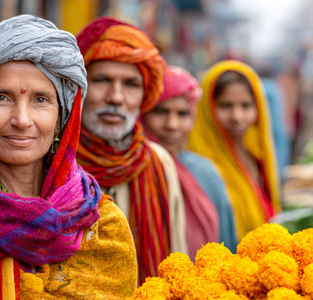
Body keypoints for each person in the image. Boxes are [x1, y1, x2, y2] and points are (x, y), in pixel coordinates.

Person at [0, 15, 137, 299]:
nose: (21, 120)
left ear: (63, 118)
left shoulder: (103, 228)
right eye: (1, 97)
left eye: (40, 100)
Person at [76, 17, 187, 282]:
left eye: (130, 84)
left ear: (144, 93)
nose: (116, 97)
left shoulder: (159, 162)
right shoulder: (52, 161)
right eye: (103, 80)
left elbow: (176, 260)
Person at [142, 65, 238, 254]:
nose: (172, 125)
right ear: (142, 115)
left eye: (183, 114)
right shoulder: (129, 175)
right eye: (161, 111)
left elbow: (226, 249)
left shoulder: (205, 173)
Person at [188, 60, 280, 240]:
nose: (237, 117)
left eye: (245, 106)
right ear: (207, 109)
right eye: (225, 106)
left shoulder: (257, 157)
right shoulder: (199, 169)